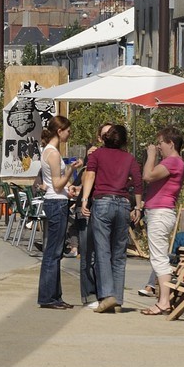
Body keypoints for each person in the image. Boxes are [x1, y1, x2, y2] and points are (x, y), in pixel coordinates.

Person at [79, 123, 142, 313]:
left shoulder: (97, 155)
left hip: (102, 202)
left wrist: (84, 200)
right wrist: (137, 206)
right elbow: (138, 183)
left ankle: (107, 296)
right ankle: (118, 299)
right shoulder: (129, 158)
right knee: (119, 253)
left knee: (102, 252)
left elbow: (90, 176)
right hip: (123, 204)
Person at [137, 125, 184, 316]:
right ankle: (163, 299)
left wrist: (151, 155)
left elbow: (148, 176)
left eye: (160, 144)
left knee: (159, 258)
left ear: (170, 143)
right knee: (159, 256)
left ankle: (164, 301)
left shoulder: (173, 161)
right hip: (160, 212)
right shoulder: (175, 162)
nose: (158, 147)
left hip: (160, 213)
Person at [36, 116, 76, 309]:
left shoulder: (50, 152)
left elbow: (57, 184)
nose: (69, 134)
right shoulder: (52, 154)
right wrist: (70, 171)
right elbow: (57, 183)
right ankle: (48, 297)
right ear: (59, 132)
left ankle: (53, 295)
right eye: (68, 131)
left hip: (56, 200)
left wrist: (70, 187)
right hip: (56, 203)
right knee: (54, 252)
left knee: (55, 251)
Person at [73, 122, 113, 307]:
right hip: (87, 208)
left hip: (106, 208)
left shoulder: (117, 156)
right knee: (88, 253)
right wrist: (89, 162)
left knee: (104, 254)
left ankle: (104, 293)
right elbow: (82, 181)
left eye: (111, 134)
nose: (108, 137)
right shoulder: (92, 155)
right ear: (98, 138)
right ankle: (89, 294)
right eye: (104, 134)